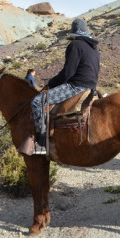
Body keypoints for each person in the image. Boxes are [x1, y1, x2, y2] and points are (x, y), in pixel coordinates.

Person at [30, 18, 100, 155]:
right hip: (91, 87)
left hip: (76, 86)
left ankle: (41, 145)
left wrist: (50, 83)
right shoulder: (94, 49)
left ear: (74, 32)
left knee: (37, 102)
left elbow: (68, 73)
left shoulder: (75, 46)